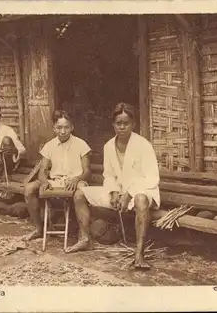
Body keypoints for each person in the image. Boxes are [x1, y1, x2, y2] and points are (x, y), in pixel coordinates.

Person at [66, 102, 160, 270]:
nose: (122, 127)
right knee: (79, 194)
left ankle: (139, 254)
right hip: (120, 193)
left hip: (143, 193)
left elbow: (152, 177)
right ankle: (85, 239)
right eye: (118, 123)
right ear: (113, 124)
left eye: (126, 123)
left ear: (133, 124)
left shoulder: (143, 145)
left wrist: (129, 194)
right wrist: (113, 191)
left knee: (140, 200)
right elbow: (108, 175)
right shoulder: (109, 146)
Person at [22, 110, 92, 241]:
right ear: (54, 128)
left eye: (66, 127)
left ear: (72, 127)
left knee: (80, 193)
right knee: (28, 189)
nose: (63, 131)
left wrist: (77, 178)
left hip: (76, 181)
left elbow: (87, 171)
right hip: (56, 181)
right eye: (59, 127)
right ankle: (38, 228)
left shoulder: (81, 144)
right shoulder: (49, 146)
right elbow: (42, 170)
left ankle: (84, 237)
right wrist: (43, 181)